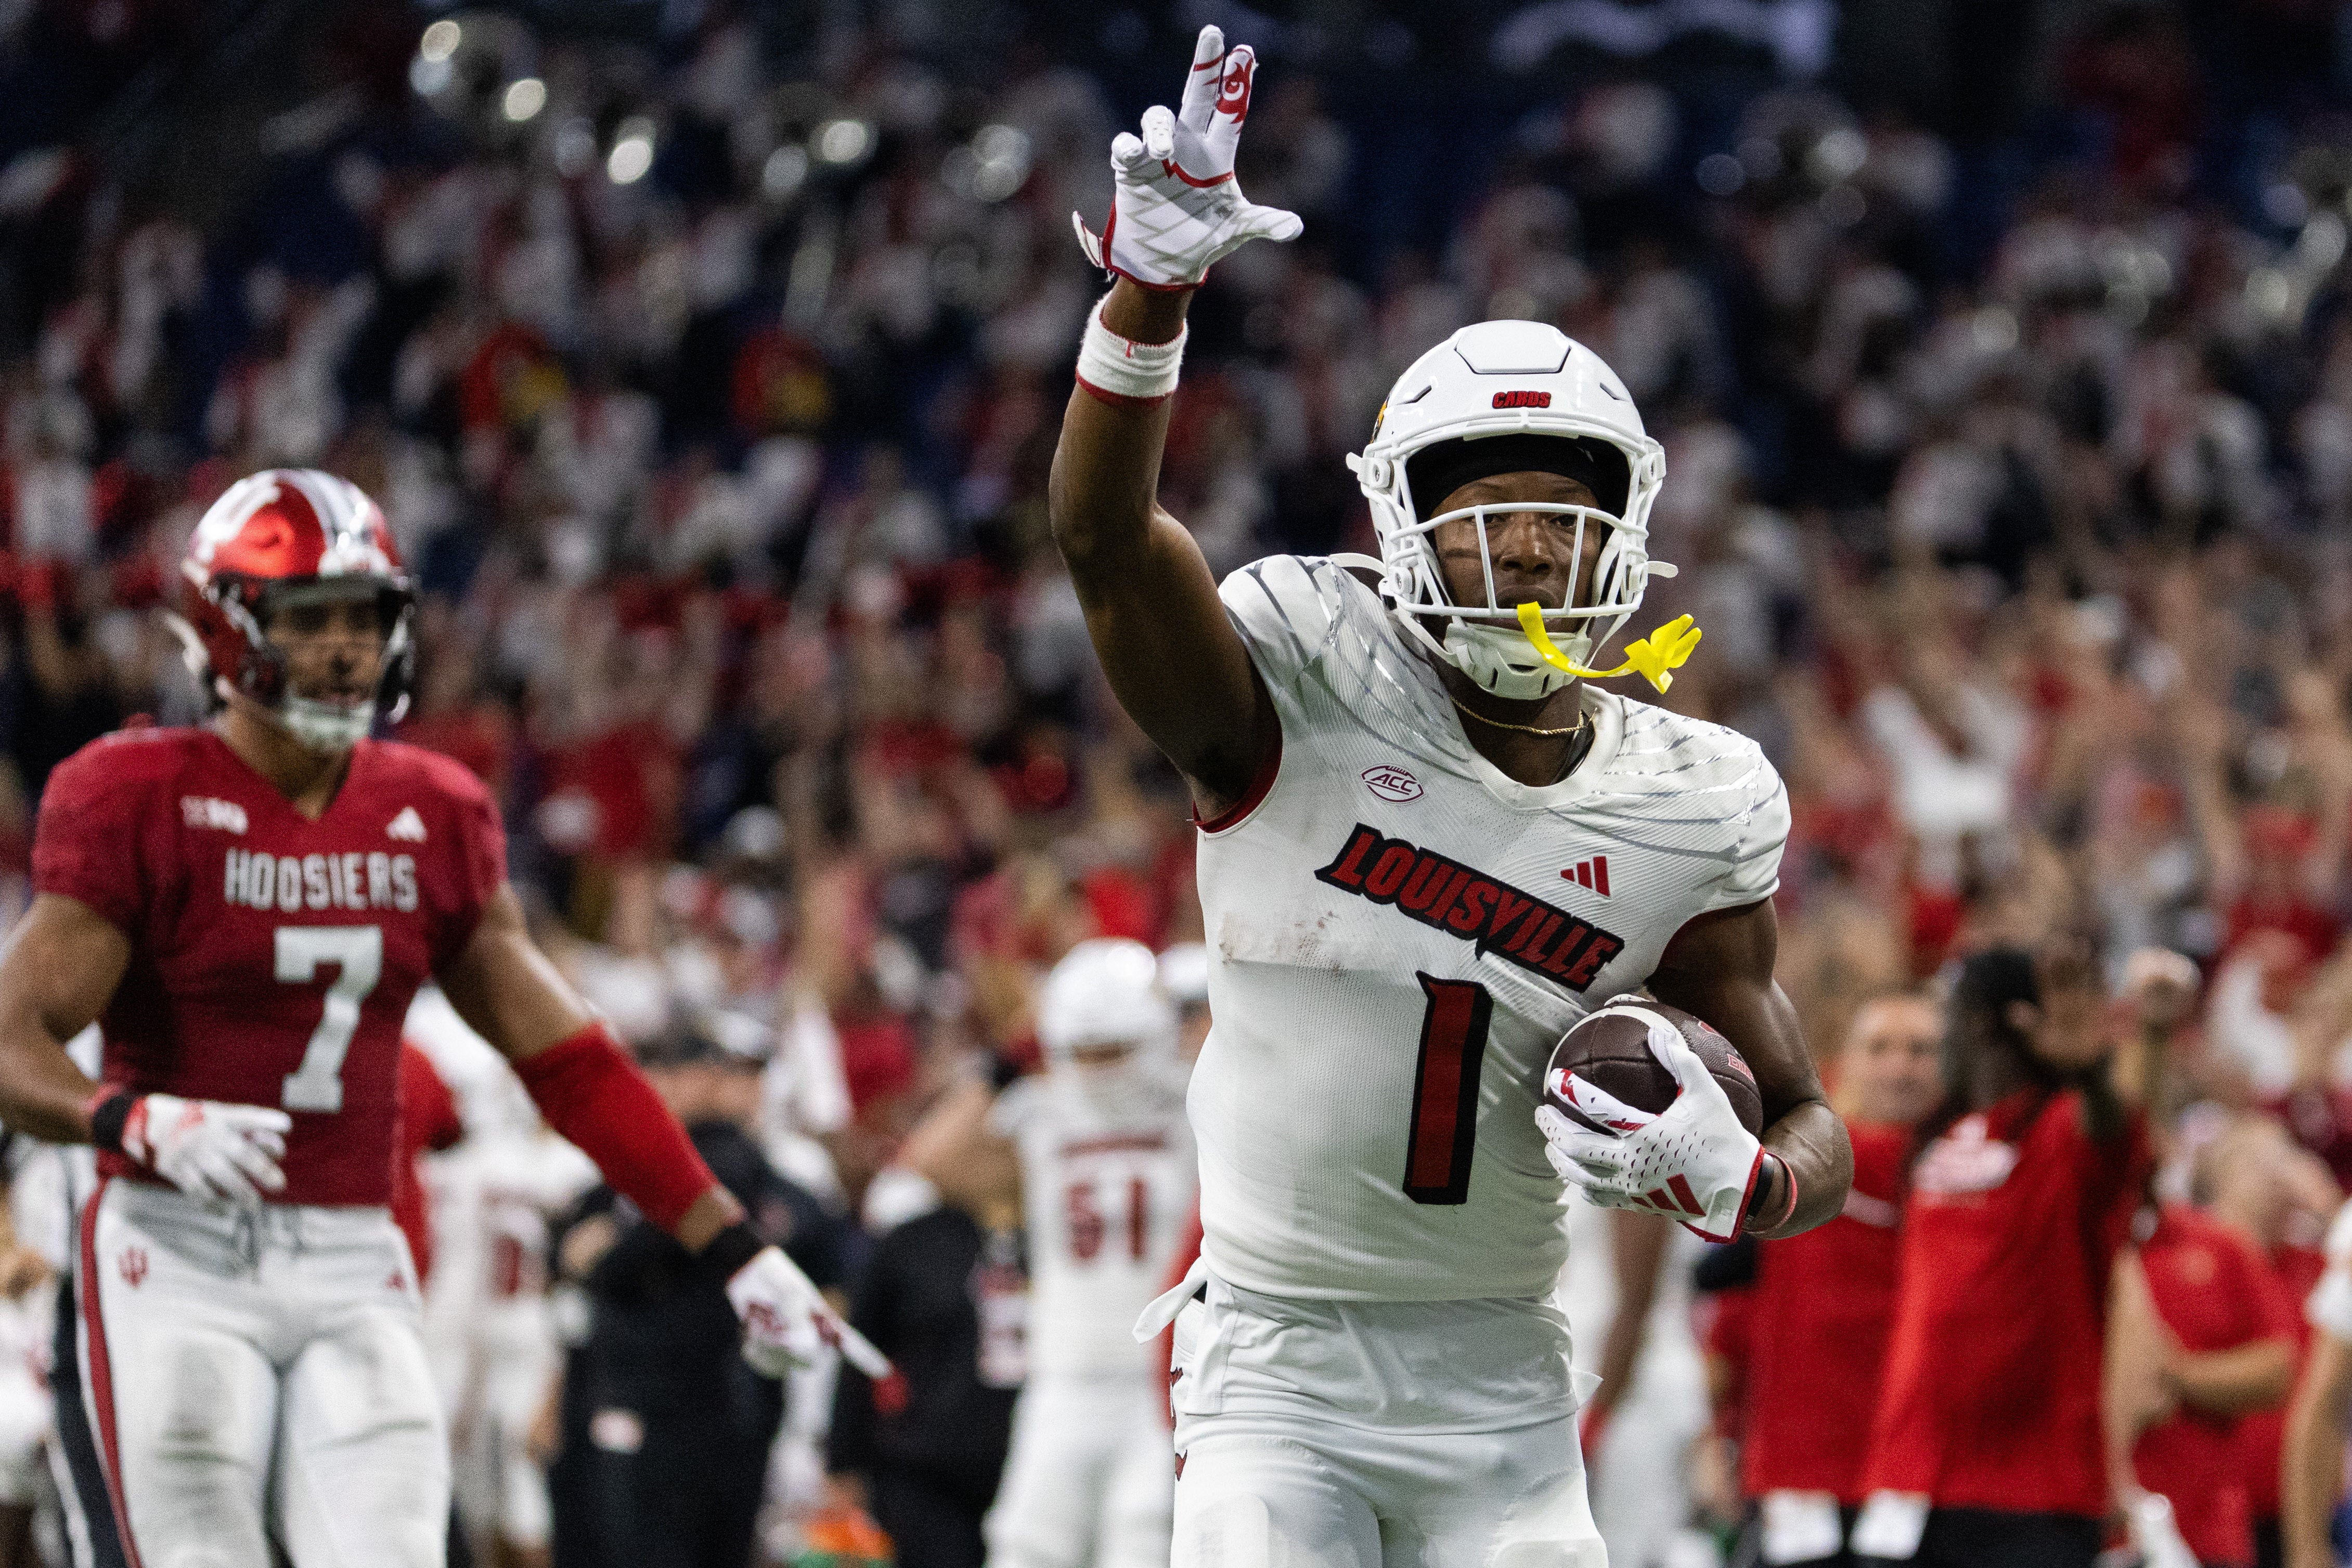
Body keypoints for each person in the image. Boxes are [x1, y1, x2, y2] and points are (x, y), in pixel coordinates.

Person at [1053, 30, 1852, 1566]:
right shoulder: (1292, 686)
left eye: (1563, 521)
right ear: (1399, 529)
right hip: (1274, 1374)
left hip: (1504, 1389)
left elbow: (1814, 1128)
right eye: (1488, 520)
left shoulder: (1690, 801)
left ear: (1627, 535)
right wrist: (1145, 301)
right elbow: (1102, 542)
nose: (1532, 555)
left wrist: (1750, 1184)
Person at [0, 469, 878, 1568]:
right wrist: (132, 1120)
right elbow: (11, 1043)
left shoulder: (430, 810)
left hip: (351, 1252)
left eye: (363, 620)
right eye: (307, 619)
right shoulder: (137, 789)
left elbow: (571, 1063)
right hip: (171, 1250)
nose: (343, 650)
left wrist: (733, 1246)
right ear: (226, 631)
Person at [1855, 943, 2171, 1568]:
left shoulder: (2057, 1132)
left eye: (1945, 1012)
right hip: (1908, 1480)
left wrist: (2097, 1072)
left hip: (2034, 1496)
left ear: (1981, 1021)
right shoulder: (1929, 1139)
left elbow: (2114, 1131)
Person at [907, 938, 1198, 1568]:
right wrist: (1010, 1056)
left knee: (1143, 1544)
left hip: (1163, 1380)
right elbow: (932, 1161)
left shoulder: (1196, 1109)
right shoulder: (1040, 1114)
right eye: (1084, 1051)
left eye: (1114, 1049)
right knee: (1027, 1546)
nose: (1099, 1067)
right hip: (1062, 1375)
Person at [545, 1021, 848, 1568]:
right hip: (655, 1398)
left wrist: (609, 1252)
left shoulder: (734, 1164)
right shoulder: (629, 1174)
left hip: (706, 1401)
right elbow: (569, 1259)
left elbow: (614, 1262)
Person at [1709, 990, 1942, 1568]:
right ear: (1846, 1060)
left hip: (1923, 1467)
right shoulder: (1791, 1156)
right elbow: (1723, 1317)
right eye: (1880, 1047)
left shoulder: (1974, 1166)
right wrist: (1712, 1436)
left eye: (1919, 1050)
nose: (1899, 1065)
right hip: (1800, 1461)